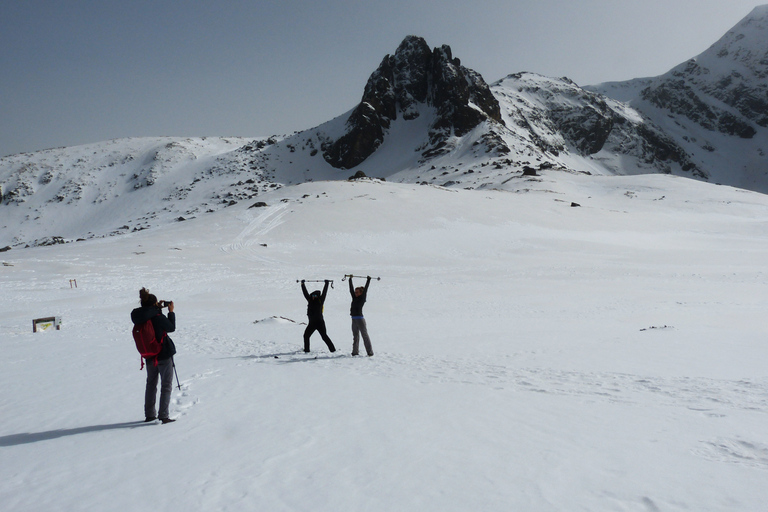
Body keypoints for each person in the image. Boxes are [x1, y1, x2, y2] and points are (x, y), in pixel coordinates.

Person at [131, 288, 177, 424]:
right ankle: (164, 415)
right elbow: (171, 327)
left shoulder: (139, 317)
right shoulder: (157, 316)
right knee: (166, 385)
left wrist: (157, 309)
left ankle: (150, 414)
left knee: (151, 384)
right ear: (153, 304)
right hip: (163, 354)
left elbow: (151, 318)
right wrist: (171, 312)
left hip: (149, 355)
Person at [301, 280, 336, 353]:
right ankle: (306, 350)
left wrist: (326, 284)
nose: (313, 297)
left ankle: (333, 350)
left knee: (324, 336)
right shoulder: (310, 300)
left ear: (318, 296)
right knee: (306, 336)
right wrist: (302, 284)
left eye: (315, 296)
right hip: (311, 323)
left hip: (320, 323)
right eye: (313, 295)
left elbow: (324, 292)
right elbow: (305, 293)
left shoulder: (321, 300)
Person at [348, 276, 374, 356]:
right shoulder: (354, 298)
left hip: (360, 319)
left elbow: (366, 289)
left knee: (364, 336)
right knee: (355, 336)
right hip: (354, 319)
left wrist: (368, 280)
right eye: (355, 292)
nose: (355, 293)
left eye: (357, 292)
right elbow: (351, 290)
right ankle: (355, 352)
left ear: (361, 293)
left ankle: (370, 352)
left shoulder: (362, 298)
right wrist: (350, 279)